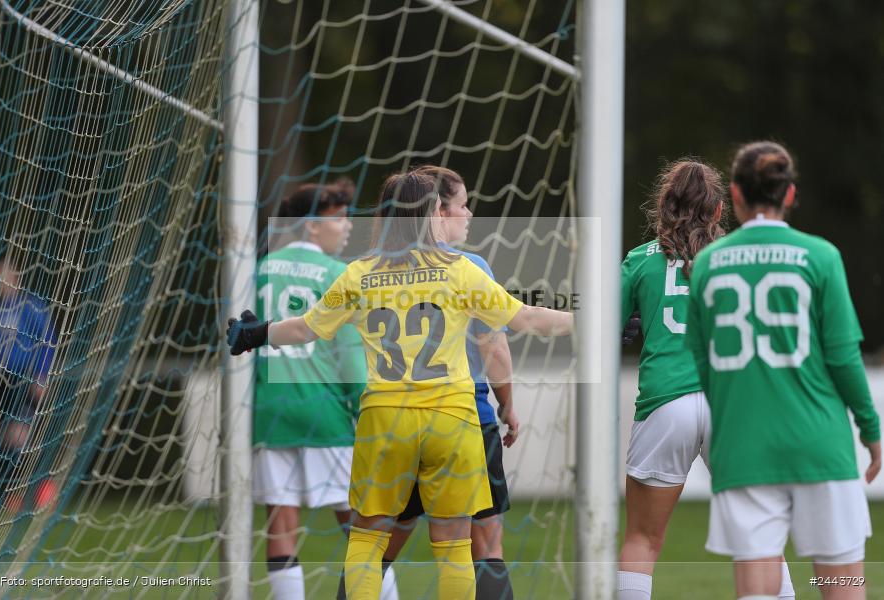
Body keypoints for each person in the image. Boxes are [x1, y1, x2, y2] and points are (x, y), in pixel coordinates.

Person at [228, 169, 573, 600]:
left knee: (367, 543)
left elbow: (306, 328)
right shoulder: (460, 270)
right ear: (433, 212)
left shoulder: (359, 272)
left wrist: (257, 334)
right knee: (454, 547)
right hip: (452, 419)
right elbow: (524, 318)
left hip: (385, 422)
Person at [685, 141, 881, 600]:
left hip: (745, 449)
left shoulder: (708, 263)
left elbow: (702, 361)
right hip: (820, 446)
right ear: (789, 194)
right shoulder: (821, 256)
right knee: (841, 585)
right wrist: (871, 430)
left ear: (735, 194)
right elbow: (843, 358)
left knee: (757, 589)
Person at [617, 160, 796, 600]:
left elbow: (604, 332)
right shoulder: (741, 258)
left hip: (665, 402)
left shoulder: (639, 260)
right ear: (718, 210)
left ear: (664, 206)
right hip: (730, 403)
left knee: (642, 540)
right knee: (761, 540)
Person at [374, 165, 519, 600]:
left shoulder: (373, 269)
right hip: (462, 418)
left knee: (376, 546)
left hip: (397, 421)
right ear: (437, 210)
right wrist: (508, 404)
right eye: (462, 205)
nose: (469, 214)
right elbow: (493, 348)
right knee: (484, 543)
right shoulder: (469, 266)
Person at [253, 179, 398, 599]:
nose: (348, 227)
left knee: (281, 526)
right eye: (339, 219)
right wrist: (365, 408)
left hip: (271, 411)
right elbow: (349, 355)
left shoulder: (259, 269)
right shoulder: (337, 274)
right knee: (361, 528)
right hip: (325, 410)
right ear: (312, 226)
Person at [0, 255, 56, 511]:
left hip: (24, 378)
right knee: (2, 436)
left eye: (5, 274)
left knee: (21, 434)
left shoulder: (31, 307)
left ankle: (41, 487)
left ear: (16, 276)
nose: (0, 280)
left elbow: (48, 342)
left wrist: (41, 376)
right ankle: (10, 491)